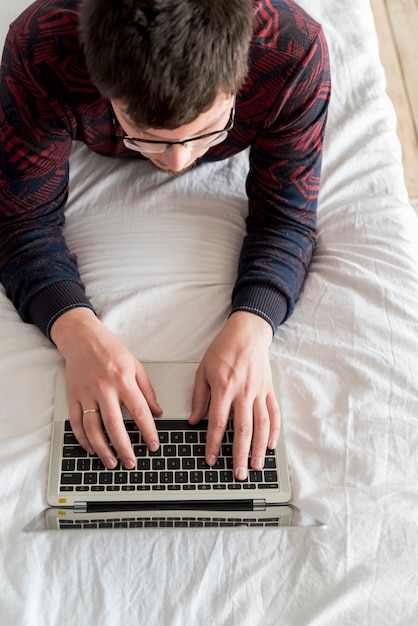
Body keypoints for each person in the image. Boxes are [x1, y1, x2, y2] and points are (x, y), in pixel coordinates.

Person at [0, 0, 331, 480]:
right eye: (144, 135)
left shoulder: (294, 52)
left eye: (207, 132)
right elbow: (20, 219)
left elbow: (288, 215)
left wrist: (255, 323)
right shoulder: (40, 47)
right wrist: (75, 330)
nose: (178, 164)